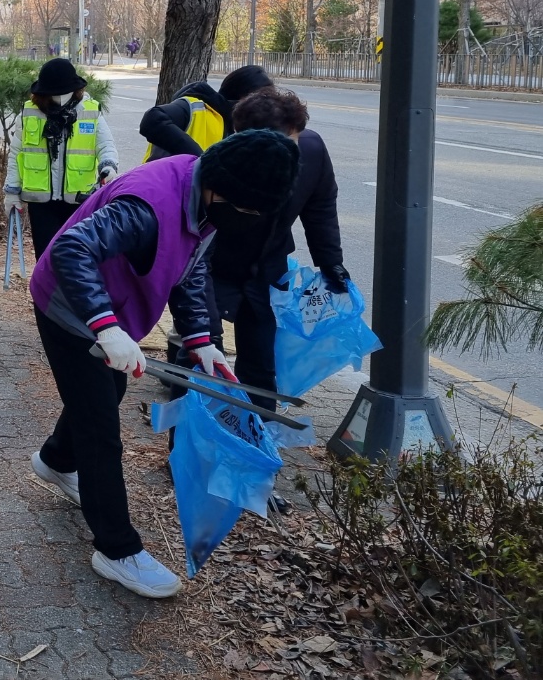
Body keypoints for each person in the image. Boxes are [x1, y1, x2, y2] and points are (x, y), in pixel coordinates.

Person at [26, 129, 300, 598]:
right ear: (224, 192)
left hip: (109, 309)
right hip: (69, 307)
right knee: (99, 427)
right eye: (250, 211)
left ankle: (54, 459)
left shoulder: (205, 203)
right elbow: (73, 249)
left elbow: (190, 269)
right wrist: (106, 326)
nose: (249, 220)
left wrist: (201, 341)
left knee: (104, 394)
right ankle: (116, 550)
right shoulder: (149, 205)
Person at [201, 87, 349, 393]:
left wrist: (330, 260)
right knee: (201, 353)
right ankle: (191, 434)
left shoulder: (312, 150)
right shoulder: (225, 164)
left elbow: (320, 207)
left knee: (260, 361)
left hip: (268, 269)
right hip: (215, 268)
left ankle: (259, 431)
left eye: (290, 141)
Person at [3, 58, 119, 260]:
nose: (57, 97)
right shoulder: (31, 112)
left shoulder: (89, 111)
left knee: (75, 258)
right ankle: (46, 292)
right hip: (41, 202)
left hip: (78, 200)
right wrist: (11, 192)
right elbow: (16, 154)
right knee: (46, 259)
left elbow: (105, 145)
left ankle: (69, 293)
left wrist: (108, 167)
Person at [138, 65, 273, 161]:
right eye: (262, 100)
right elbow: (152, 120)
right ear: (244, 96)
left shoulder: (237, 127)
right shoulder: (195, 108)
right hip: (157, 194)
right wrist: (201, 160)